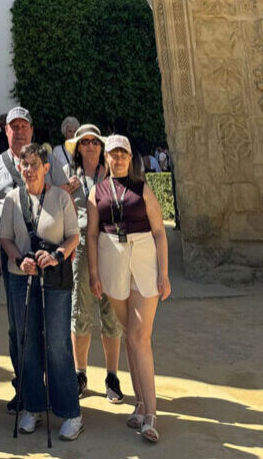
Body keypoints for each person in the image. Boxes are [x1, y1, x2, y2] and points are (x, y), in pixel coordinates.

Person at [87, 135, 171, 443]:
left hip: (145, 262)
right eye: (113, 154)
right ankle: (138, 403)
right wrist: (94, 273)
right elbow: (92, 234)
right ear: (106, 159)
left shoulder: (142, 188)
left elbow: (160, 232)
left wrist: (164, 272)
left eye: (123, 153)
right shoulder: (97, 192)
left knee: (140, 336)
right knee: (129, 334)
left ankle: (151, 412)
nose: (118, 158)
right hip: (113, 262)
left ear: (130, 157)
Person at [0, 143, 83, 439]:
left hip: (55, 278)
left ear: (47, 168)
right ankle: (33, 406)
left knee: (58, 343)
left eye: (35, 165)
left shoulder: (60, 197)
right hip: (22, 277)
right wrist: (19, 259)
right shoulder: (11, 199)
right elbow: (6, 238)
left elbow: (74, 235)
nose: (30, 170)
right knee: (27, 342)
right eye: (25, 165)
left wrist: (58, 254)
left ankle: (70, 412)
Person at [52, 124, 124, 403]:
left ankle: (112, 375)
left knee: (112, 312)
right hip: (81, 247)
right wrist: (64, 190)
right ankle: (80, 373)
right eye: (86, 142)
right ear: (78, 148)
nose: (91, 146)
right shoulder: (71, 177)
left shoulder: (112, 175)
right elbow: (54, 204)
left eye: (95, 141)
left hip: (110, 245)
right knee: (80, 311)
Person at [0, 106, 36, 412]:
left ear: (31, 129)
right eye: (13, 126)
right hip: (13, 257)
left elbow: (61, 198)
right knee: (18, 326)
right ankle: (24, 386)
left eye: (23, 126)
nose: (18, 131)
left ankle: (44, 386)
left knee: (46, 325)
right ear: (6, 131)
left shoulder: (45, 160)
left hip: (46, 256)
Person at [49, 116, 80, 183]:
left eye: (74, 131)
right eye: (70, 131)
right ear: (65, 133)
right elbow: (53, 172)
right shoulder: (57, 151)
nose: (72, 134)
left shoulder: (81, 150)